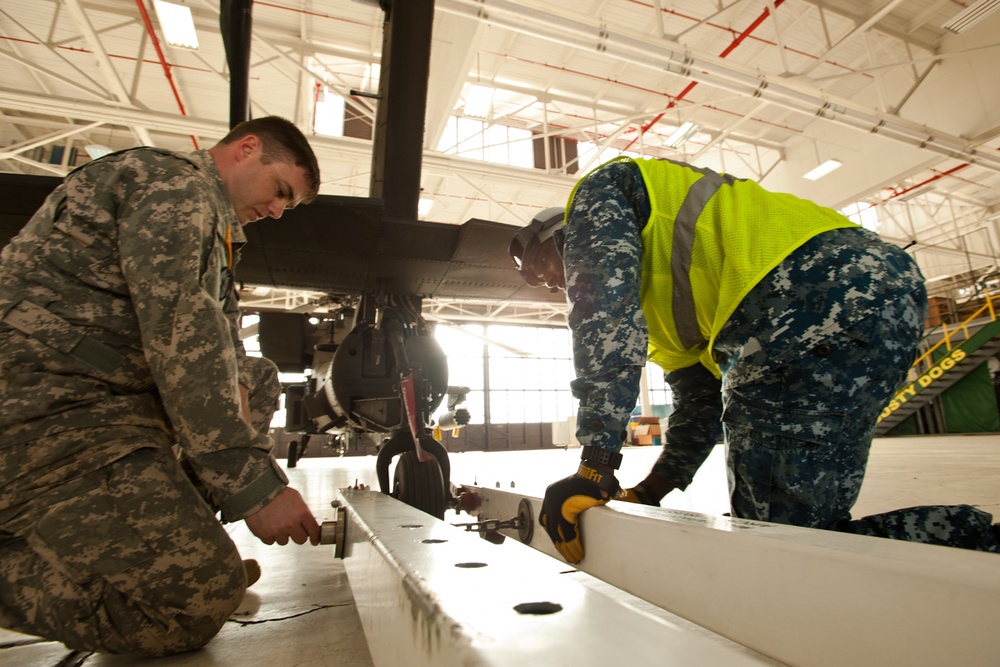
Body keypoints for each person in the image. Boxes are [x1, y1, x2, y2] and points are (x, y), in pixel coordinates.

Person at [509, 156, 1000, 564]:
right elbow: (699, 407)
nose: (548, 284)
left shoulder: (599, 195)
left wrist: (594, 464)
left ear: (562, 236)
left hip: (803, 295)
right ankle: (971, 549)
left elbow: (603, 323)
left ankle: (978, 546)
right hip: (886, 294)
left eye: (541, 268)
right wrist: (650, 489)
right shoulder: (670, 318)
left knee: (777, 546)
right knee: (802, 529)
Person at [0, 116, 324, 655]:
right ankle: (168, 574)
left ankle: (177, 547)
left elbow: (219, 342)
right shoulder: (174, 188)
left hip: (103, 398)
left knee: (258, 379)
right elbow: (181, 336)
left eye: (286, 207)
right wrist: (257, 488)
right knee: (193, 605)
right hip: (44, 409)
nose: (275, 211)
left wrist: (233, 391)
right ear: (247, 150)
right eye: (279, 192)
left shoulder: (211, 221)